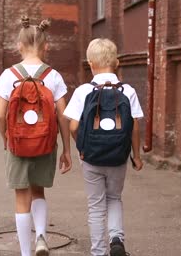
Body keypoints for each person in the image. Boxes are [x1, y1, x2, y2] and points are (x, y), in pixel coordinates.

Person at [0, 16, 72, 256]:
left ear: (19, 46)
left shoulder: (9, 75)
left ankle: (26, 253)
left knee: (21, 197)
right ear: (46, 46)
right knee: (39, 191)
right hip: (46, 143)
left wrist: (5, 138)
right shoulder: (53, 75)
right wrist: (67, 149)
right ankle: (40, 236)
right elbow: (62, 115)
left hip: (18, 143)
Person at [63, 38, 144, 256]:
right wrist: (136, 155)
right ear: (116, 63)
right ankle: (116, 239)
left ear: (90, 63)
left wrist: (81, 147)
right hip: (118, 156)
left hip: (91, 157)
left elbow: (73, 125)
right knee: (114, 198)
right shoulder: (128, 90)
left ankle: (98, 252)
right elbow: (134, 126)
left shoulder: (82, 91)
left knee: (96, 206)